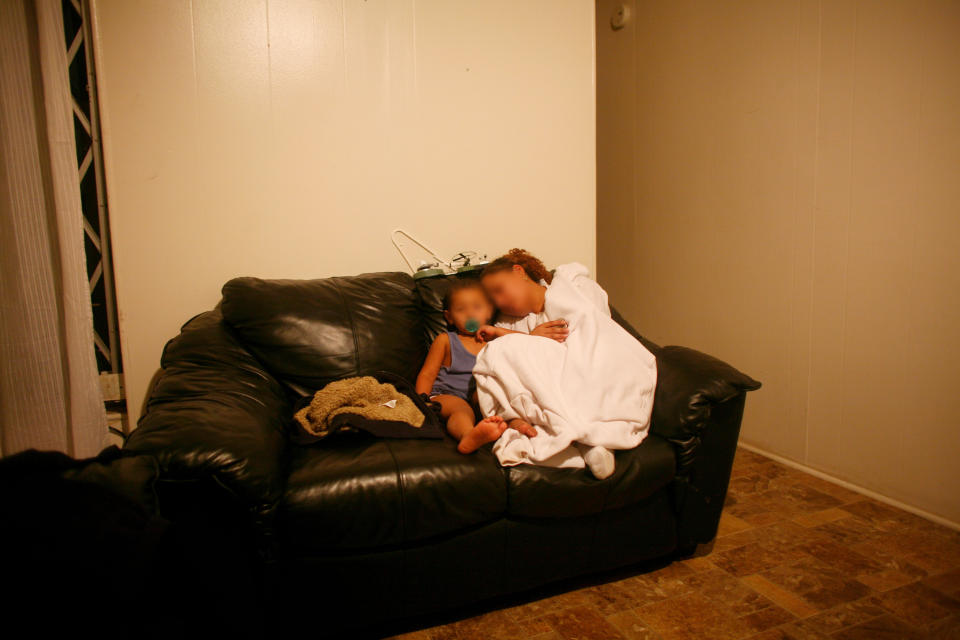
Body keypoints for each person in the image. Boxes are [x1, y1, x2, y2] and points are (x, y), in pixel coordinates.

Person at [415, 279, 539, 454]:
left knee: (499, 398)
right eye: (461, 309)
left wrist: (506, 333)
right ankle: (469, 436)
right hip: (446, 395)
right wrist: (422, 401)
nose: (470, 314)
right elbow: (427, 374)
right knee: (461, 410)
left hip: (480, 397)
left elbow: (523, 343)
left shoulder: (494, 341)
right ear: (449, 317)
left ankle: (515, 422)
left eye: (477, 307)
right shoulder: (445, 340)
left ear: (489, 312)